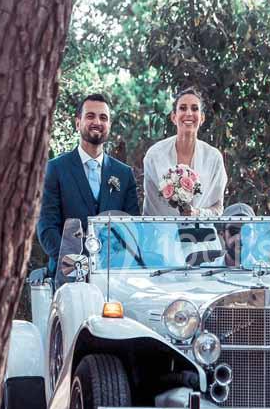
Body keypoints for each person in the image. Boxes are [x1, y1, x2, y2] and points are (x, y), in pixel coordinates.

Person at [37, 93, 140, 274]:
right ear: (78, 123)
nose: (97, 122)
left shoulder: (124, 174)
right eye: (90, 116)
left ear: (109, 125)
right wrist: (73, 263)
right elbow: (47, 228)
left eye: (103, 118)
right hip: (67, 274)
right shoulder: (55, 169)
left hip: (113, 275)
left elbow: (132, 228)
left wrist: (117, 264)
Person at [143, 87, 228, 216]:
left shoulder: (214, 157)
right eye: (183, 108)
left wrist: (196, 213)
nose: (189, 113)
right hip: (162, 232)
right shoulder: (154, 155)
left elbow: (218, 208)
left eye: (195, 109)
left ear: (202, 118)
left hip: (202, 232)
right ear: (173, 117)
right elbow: (150, 206)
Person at [208, 203, 255, 267]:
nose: (239, 238)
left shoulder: (267, 274)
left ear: (254, 235)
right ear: (223, 235)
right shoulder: (205, 272)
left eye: (246, 231)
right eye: (233, 231)